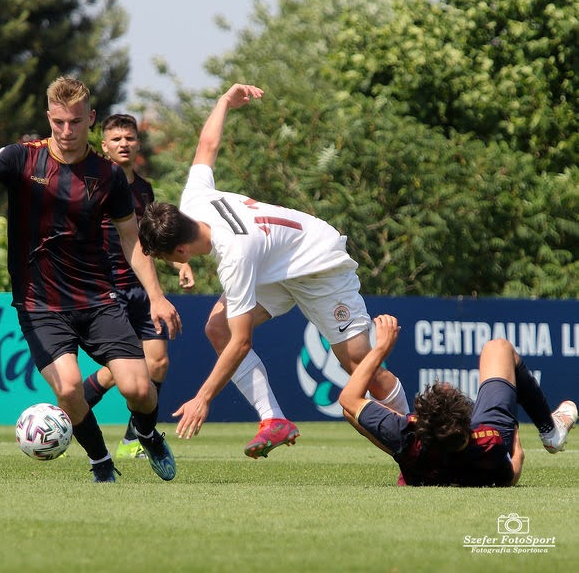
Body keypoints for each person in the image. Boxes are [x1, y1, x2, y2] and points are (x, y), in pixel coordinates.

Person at [138, 83, 410, 457]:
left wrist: (203, 398)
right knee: (216, 326)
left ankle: (415, 448)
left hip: (318, 264)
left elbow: (242, 342)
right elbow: (207, 147)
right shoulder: (193, 202)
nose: (173, 264)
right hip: (274, 265)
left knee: (361, 365)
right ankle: (273, 420)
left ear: (181, 247)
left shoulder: (234, 255)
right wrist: (223, 102)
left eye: (171, 258)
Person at [0, 77, 181, 483]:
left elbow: (131, 241)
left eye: (75, 122)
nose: (67, 131)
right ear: (48, 118)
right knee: (70, 388)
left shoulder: (107, 175)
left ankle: (147, 433)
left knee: (139, 390)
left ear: (91, 119)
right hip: (40, 303)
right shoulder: (22, 157)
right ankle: (100, 463)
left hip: (97, 299)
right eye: (59, 122)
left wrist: (157, 296)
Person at [339, 314, 577, 486]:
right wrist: (518, 455)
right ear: (468, 416)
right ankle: (549, 430)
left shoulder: (407, 439)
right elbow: (511, 475)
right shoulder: (489, 442)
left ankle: (397, 453)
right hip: (486, 439)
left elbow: (348, 400)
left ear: (418, 425)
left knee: (352, 412)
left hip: (420, 464)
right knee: (498, 347)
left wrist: (381, 348)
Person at [82, 114, 195, 460]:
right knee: (127, 365)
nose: (123, 144)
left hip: (142, 288)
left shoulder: (144, 189)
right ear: (104, 145)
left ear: (137, 143)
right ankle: (71, 406)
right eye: (115, 139)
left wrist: (181, 262)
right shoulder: (95, 183)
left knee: (157, 363)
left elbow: (148, 241)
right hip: (106, 286)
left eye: (129, 138)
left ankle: (135, 437)